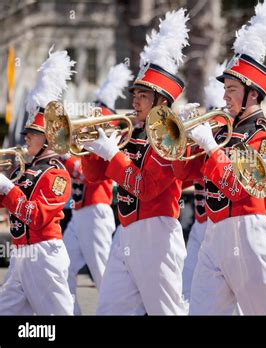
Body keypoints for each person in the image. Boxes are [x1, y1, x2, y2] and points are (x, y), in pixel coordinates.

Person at [172, 0, 266, 315]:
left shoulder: (264, 136)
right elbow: (184, 174)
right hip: (215, 229)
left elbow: (243, 187)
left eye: (232, 89)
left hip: (247, 229)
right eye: (225, 88)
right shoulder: (224, 132)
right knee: (203, 310)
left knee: (263, 312)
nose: (224, 95)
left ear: (252, 94)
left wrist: (211, 147)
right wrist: (179, 138)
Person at [81, 9, 190, 315]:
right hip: (126, 230)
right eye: (135, 94)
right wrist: (93, 149)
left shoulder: (170, 138)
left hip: (156, 233)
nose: (135, 101)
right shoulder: (131, 131)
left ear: (161, 101)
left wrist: (114, 155)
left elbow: (147, 187)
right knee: (109, 310)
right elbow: (94, 177)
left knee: (167, 312)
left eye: (143, 95)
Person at [0, 49, 75, 315]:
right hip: (20, 254)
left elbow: (38, 216)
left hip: (43, 255)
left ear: (47, 140)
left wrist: (7, 187)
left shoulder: (57, 174)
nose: (26, 137)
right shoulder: (24, 167)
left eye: (32, 133)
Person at [61, 63, 132, 314]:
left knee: (104, 276)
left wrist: (64, 156)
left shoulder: (110, 143)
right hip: (79, 212)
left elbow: (84, 173)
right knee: (62, 269)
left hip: (96, 212)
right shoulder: (87, 145)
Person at [181, 61, 227, 302]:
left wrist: (211, 146)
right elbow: (183, 176)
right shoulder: (203, 143)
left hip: (222, 225)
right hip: (201, 224)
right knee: (190, 286)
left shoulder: (228, 143)